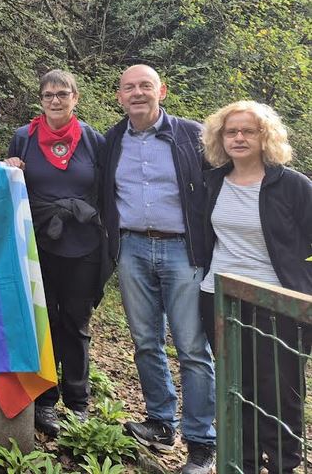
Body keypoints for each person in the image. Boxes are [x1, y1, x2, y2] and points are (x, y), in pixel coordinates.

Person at [100, 64, 215, 474]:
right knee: (146, 340)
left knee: (192, 347)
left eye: (145, 86)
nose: (137, 93)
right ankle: (160, 422)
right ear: (119, 96)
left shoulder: (193, 134)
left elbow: (225, 180)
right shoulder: (111, 140)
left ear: (161, 91)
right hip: (130, 248)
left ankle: (201, 441)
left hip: (183, 251)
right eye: (129, 87)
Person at [198, 101, 312, 474]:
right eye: (231, 132)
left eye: (249, 131)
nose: (239, 138)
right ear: (221, 138)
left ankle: (282, 464)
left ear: (266, 136)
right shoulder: (213, 181)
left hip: (276, 301)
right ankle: (240, 462)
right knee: (235, 388)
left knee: (281, 393)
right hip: (219, 298)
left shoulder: (292, 185)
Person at [5, 70, 109, 437]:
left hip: (84, 244)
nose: (55, 100)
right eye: (48, 95)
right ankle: (45, 399)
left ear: (75, 98)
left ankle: (78, 401)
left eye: (62, 94)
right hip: (37, 243)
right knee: (43, 322)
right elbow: (9, 187)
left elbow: (105, 190)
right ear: (40, 99)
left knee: (76, 323)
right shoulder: (24, 138)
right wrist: (11, 167)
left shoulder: (94, 140)